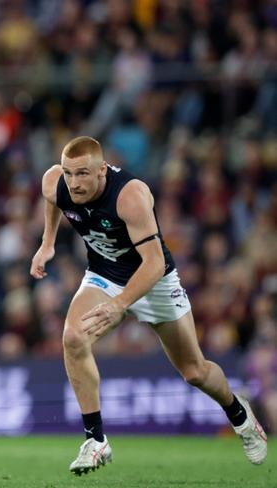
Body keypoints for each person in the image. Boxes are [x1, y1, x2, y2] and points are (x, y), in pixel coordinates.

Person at [30, 136, 268, 475]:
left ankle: (240, 415)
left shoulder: (131, 195)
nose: (74, 182)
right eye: (69, 173)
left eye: (82, 174)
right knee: (73, 337)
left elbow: (154, 263)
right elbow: (52, 199)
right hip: (104, 274)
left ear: (102, 170)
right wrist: (47, 243)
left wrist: (120, 305)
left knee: (195, 372)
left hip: (153, 280)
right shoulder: (55, 182)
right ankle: (95, 440)